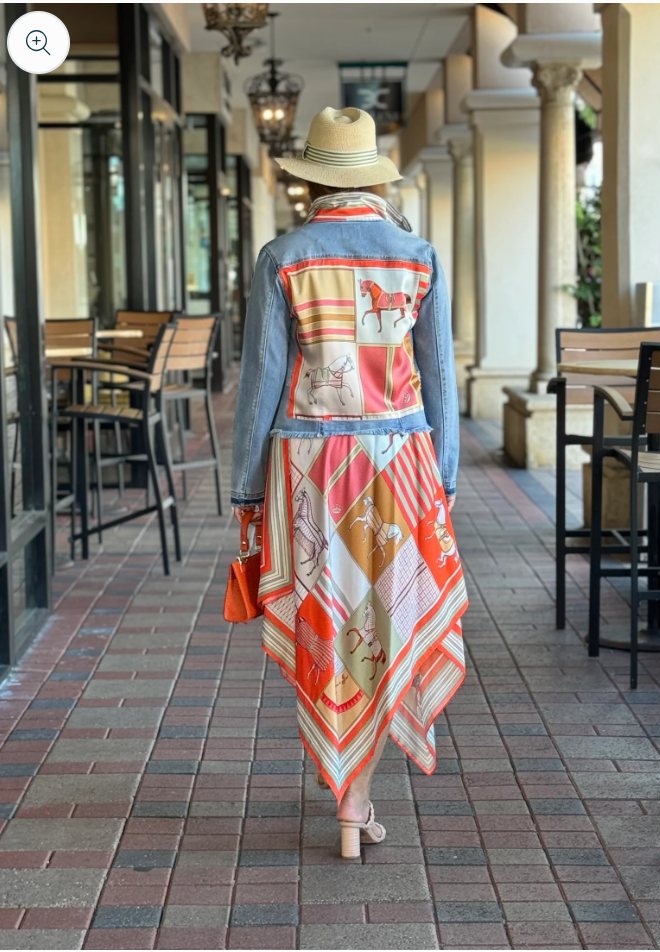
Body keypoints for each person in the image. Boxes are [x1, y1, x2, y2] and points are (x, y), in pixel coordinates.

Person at [231, 106, 468, 859]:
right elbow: (440, 379)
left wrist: (245, 488)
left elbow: (262, 382)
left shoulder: (283, 257)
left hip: (311, 468)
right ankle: (356, 798)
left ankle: (345, 791)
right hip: (400, 466)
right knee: (384, 623)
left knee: (328, 624)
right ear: (374, 179)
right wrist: (446, 476)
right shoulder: (417, 256)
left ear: (312, 183)